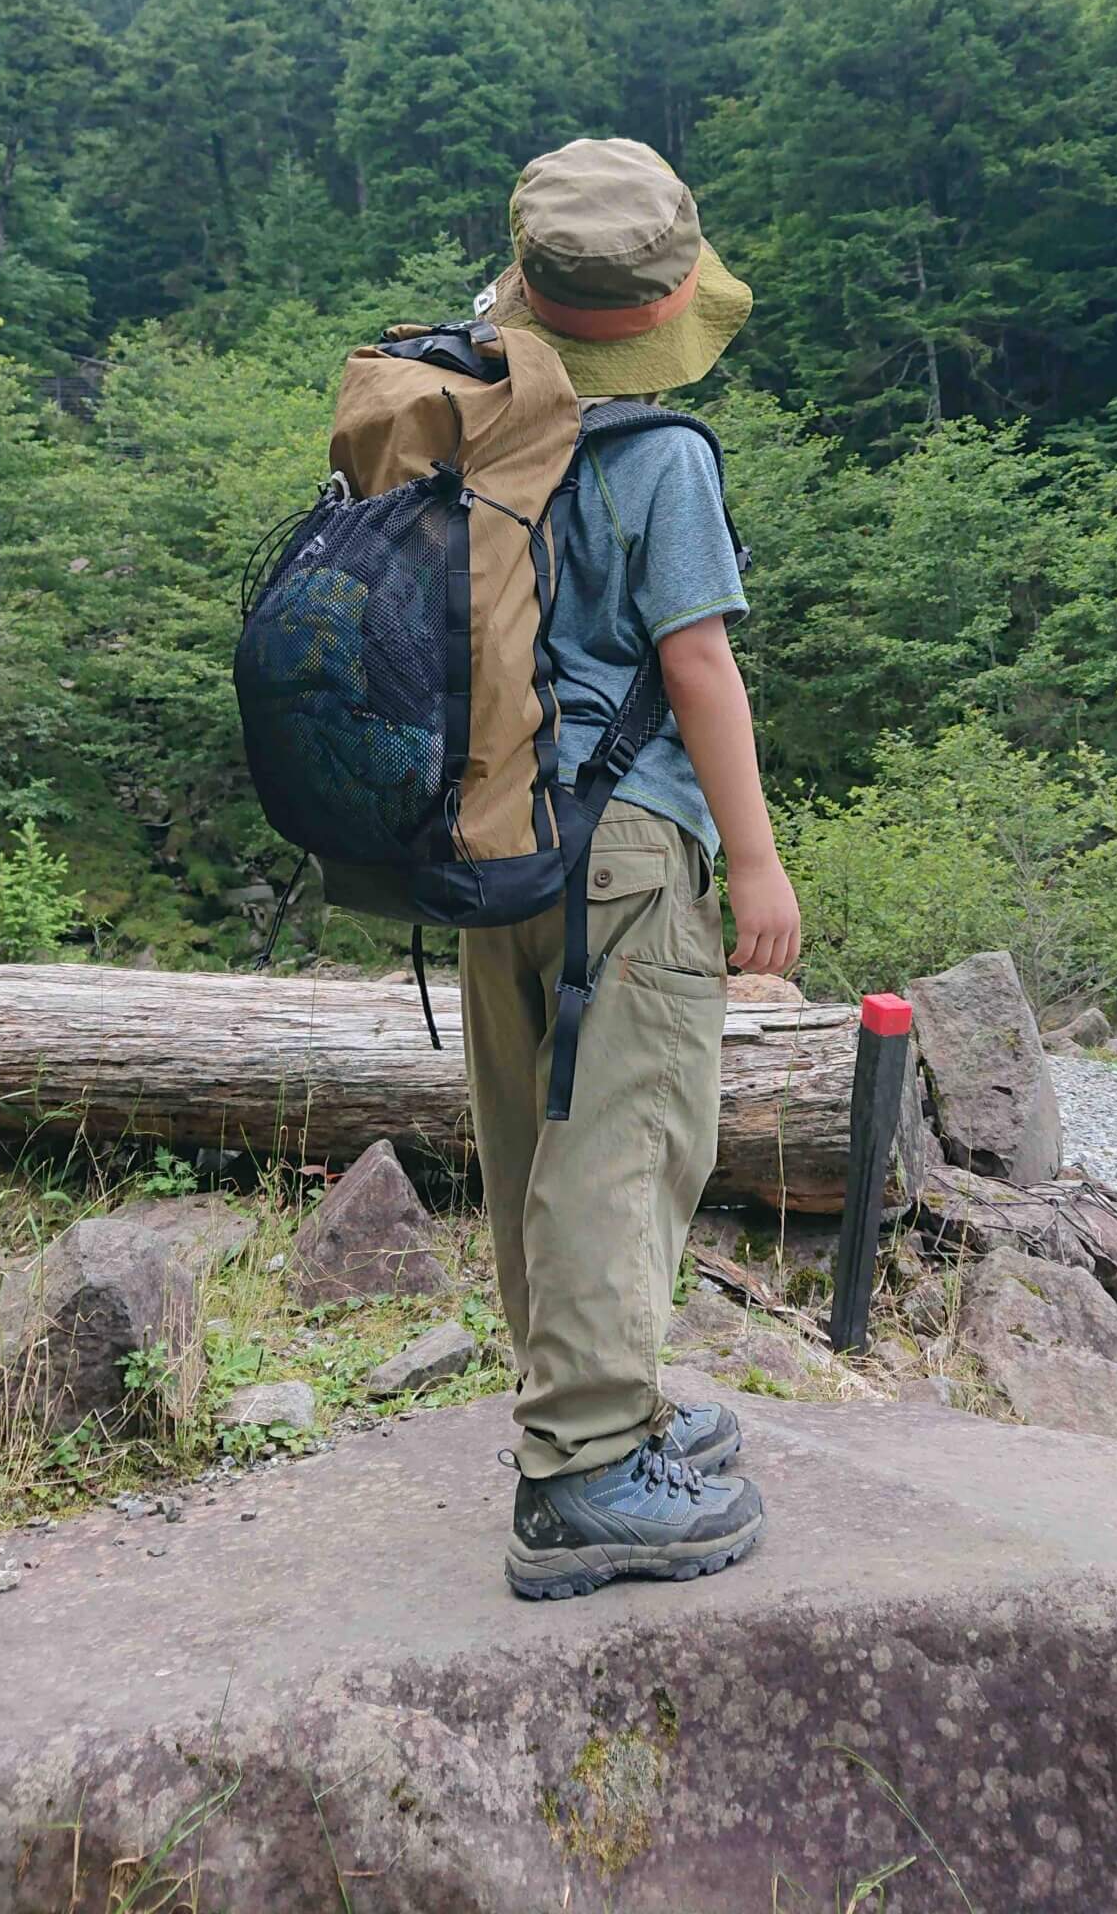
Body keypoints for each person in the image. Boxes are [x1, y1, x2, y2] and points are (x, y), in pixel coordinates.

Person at [458, 135, 802, 1600]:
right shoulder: (660, 458)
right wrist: (766, 870)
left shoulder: (473, 426)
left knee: (538, 1140)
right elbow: (701, 668)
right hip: (634, 853)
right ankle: (584, 1477)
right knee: (631, 1141)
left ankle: (595, 1406)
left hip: (490, 840)